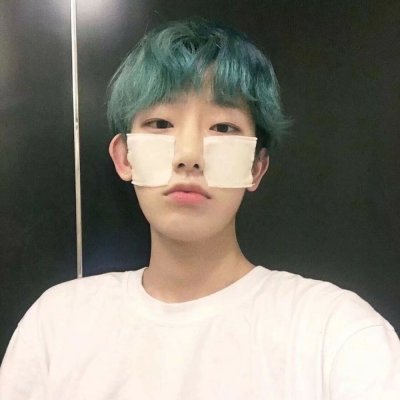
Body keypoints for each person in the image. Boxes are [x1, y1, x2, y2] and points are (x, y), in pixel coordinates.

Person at [1, 17, 399, 400]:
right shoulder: (57, 325)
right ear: (125, 157)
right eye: (160, 124)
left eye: (223, 128)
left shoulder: (335, 333)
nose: (189, 155)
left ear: (255, 167)